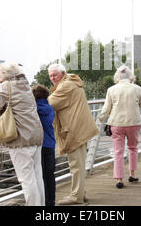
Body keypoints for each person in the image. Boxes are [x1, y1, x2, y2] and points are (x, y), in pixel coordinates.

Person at [0, 62, 45, 206]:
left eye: (0, 75)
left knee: (26, 179)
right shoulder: (26, 86)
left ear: (6, 75)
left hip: (21, 138)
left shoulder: (7, 86)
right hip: (35, 135)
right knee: (37, 175)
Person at [47, 63, 99, 205]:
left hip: (75, 130)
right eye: (50, 75)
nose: (52, 78)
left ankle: (76, 196)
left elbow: (50, 103)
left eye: (55, 75)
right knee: (78, 164)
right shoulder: (72, 83)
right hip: (80, 128)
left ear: (62, 73)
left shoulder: (65, 86)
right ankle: (81, 192)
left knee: (76, 164)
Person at [99, 66, 141, 189]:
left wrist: (101, 118)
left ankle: (119, 179)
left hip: (117, 123)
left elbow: (106, 108)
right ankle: (132, 174)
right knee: (133, 148)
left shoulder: (111, 89)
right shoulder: (137, 88)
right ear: (130, 76)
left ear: (117, 77)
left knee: (118, 151)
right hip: (133, 122)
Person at [32, 84, 56, 206]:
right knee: (50, 173)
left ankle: (43, 200)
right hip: (51, 144)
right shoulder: (50, 108)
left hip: (39, 144)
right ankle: (51, 201)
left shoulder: (33, 109)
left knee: (40, 174)